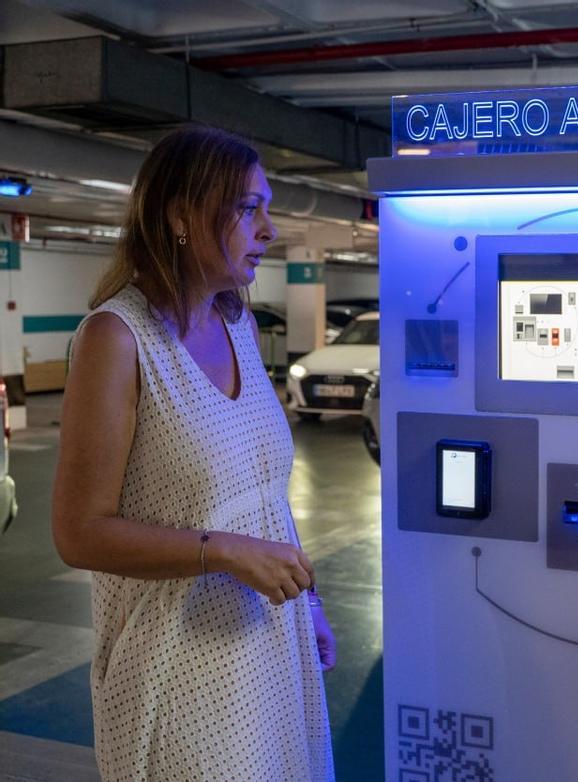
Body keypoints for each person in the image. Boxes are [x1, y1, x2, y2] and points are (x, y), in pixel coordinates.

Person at [51, 126, 336, 781]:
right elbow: (78, 533)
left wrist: (307, 604)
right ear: (181, 216)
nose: (268, 229)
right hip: (179, 673)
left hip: (269, 647)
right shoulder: (116, 339)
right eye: (248, 208)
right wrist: (225, 551)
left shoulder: (237, 324)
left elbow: (262, 489)